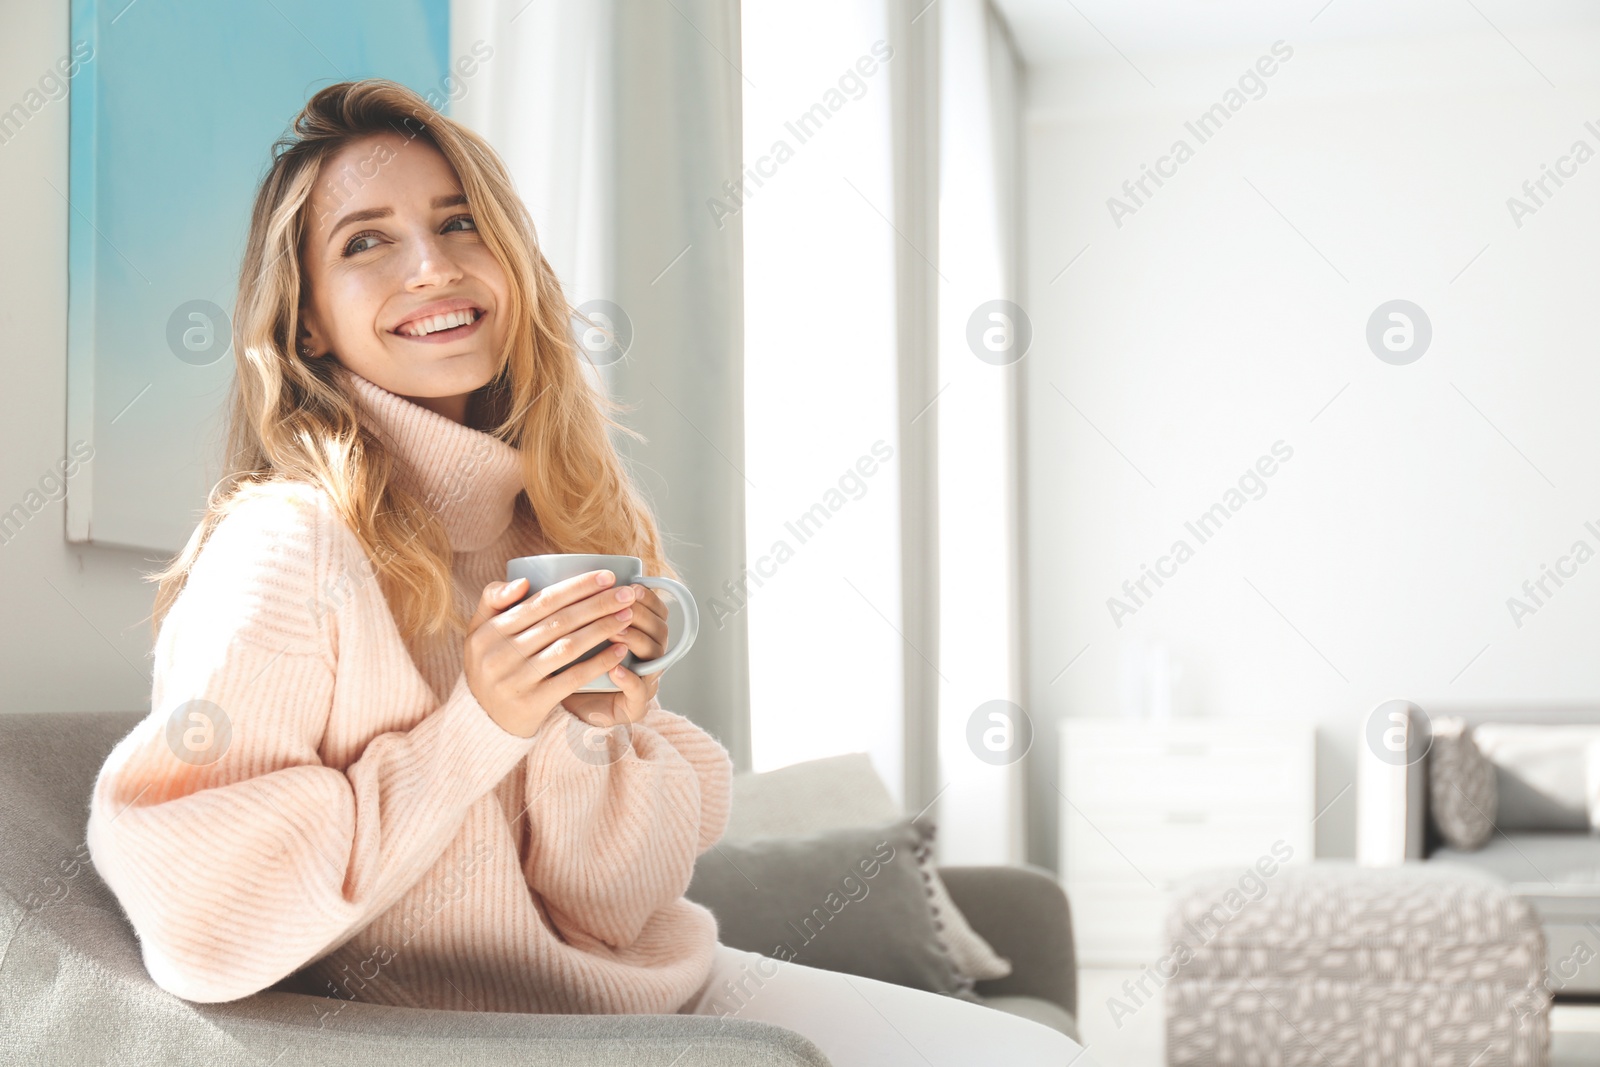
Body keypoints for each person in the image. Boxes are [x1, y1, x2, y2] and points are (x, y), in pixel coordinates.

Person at [85, 78, 1095, 1066]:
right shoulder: (286, 545)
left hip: (632, 991)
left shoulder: (557, 522)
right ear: (306, 320)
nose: (433, 266)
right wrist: (480, 723)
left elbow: (612, 908)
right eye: (367, 241)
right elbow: (200, 911)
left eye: (460, 223)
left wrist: (595, 727)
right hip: (453, 1030)